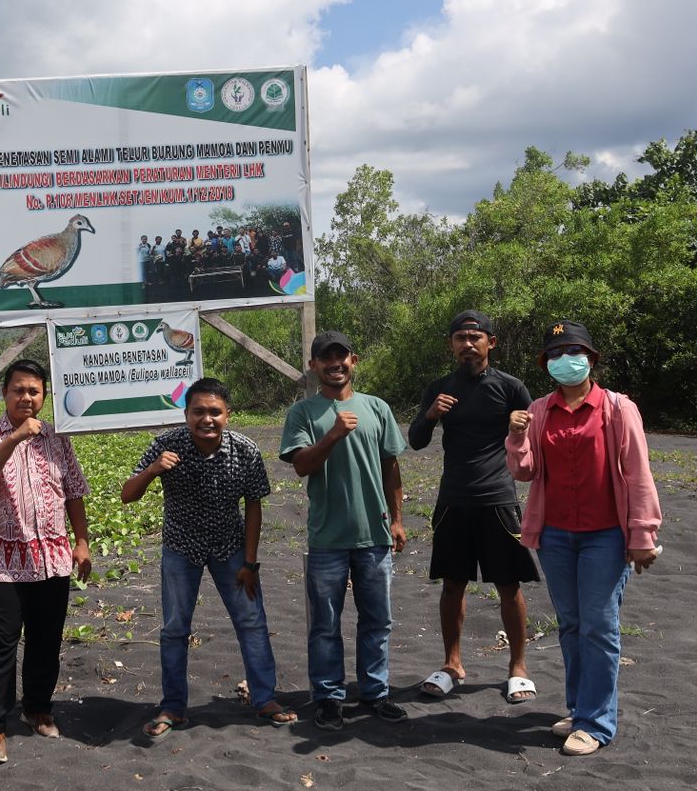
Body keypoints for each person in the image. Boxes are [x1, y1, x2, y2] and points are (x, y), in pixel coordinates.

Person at [505, 320, 662, 756]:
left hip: (605, 537)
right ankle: (579, 709)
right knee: (571, 625)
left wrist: (643, 533)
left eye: (572, 352)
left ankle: (596, 723)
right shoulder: (538, 411)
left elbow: (636, 473)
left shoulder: (617, 408)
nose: (563, 361)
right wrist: (517, 437)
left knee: (599, 625)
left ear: (590, 359)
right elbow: (525, 471)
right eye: (554, 355)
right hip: (556, 536)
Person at [125, 378, 298, 735]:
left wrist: (249, 563)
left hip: (230, 548)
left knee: (251, 622)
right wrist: (153, 470)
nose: (207, 419)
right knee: (175, 629)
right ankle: (173, 707)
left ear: (227, 415)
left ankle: (264, 698)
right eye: (199, 412)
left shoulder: (245, 449)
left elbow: (253, 506)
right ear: (186, 414)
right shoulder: (165, 445)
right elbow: (128, 495)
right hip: (180, 547)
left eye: (215, 412)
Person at [406, 310, 539, 703]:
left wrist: (521, 425)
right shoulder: (439, 388)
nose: (468, 344)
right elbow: (415, 440)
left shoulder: (512, 388)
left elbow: (534, 438)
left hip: (498, 498)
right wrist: (430, 415)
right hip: (453, 500)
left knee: (508, 585)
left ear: (490, 343)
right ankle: (452, 664)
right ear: (451, 344)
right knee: (452, 584)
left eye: (475, 337)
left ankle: (518, 667)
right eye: (460, 338)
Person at [0, 359, 92, 765]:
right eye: (18, 390)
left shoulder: (58, 437)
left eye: (34, 391)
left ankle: (37, 707)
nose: (26, 397)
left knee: (46, 639)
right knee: (2, 643)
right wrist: (16, 437)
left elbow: (73, 490)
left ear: (44, 396)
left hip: (52, 558)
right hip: (4, 561)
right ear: (4, 393)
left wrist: (82, 541)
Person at [280, 330, 408, 730]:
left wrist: (398, 518)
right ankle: (329, 696)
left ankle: (375, 692)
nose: (335, 364)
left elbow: (391, 467)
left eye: (342, 357)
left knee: (377, 619)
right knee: (325, 623)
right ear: (314, 366)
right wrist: (333, 434)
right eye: (326, 358)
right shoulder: (302, 413)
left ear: (354, 361)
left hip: (375, 535)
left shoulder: (376, 408)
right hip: (327, 539)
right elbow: (301, 465)